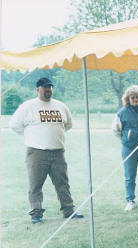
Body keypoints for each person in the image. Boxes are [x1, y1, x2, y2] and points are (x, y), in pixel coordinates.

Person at [9, 77, 83, 224]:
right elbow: (14, 125)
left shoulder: (60, 106)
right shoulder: (28, 106)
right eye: (45, 87)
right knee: (35, 185)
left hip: (58, 152)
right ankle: (36, 214)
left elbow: (68, 125)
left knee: (62, 183)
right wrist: (30, 136)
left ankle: (68, 210)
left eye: (50, 87)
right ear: (38, 89)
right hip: (37, 152)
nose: (48, 89)